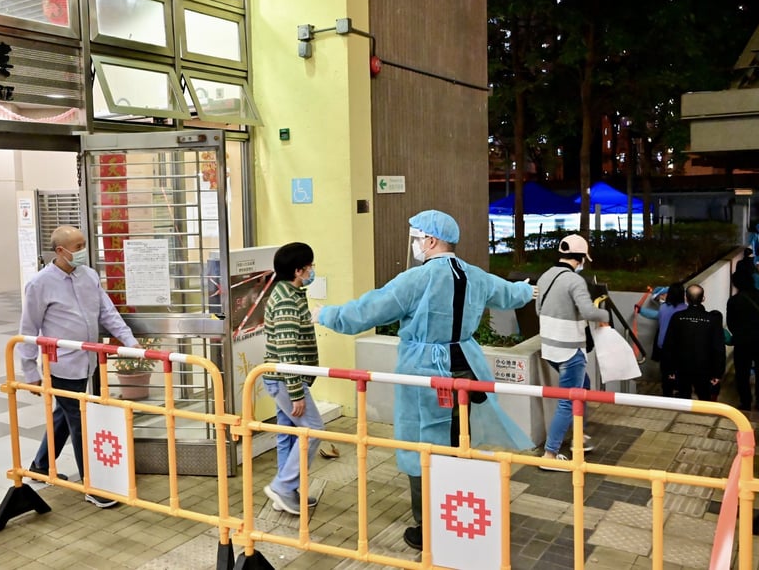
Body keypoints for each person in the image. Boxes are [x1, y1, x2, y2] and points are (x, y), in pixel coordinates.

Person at [315, 210, 533, 550]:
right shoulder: (474, 275)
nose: (415, 244)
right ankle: (460, 513)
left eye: (416, 238)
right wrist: (529, 288)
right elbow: (512, 294)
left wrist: (325, 314)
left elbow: (367, 311)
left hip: (426, 373)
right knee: (459, 441)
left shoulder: (416, 280)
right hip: (468, 369)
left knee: (423, 447)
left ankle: (430, 526)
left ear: (430, 240)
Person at [17, 225, 139, 508]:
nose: (83, 250)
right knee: (79, 418)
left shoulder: (89, 276)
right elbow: (28, 329)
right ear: (60, 251)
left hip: (88, 361)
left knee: (66, 411)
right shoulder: (40, 284)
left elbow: (107, 312)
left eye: (84, 244)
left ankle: (40, 464)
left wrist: (129, 342)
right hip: (62, 364)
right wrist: (30, 372)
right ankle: (92, 485)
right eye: (78, 246)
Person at [536, 234, 612, 470]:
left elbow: (538, 308)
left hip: (549, 348)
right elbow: (589, 312)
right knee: (568, 401)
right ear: (580, 259)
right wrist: (605, 316)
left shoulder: (546, 275)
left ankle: (579, 436)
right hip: (570, 350)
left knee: (583, 386)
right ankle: (550, 454)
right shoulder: (575, 281)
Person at [261, 242, 323, 517]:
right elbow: (287, 350)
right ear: (299, 270)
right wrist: (296, 392)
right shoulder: (286, 299)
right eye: (310, 266)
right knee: (313, 429)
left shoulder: (291, 292)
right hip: (286, 381)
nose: (312, 270)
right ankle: (283, 486)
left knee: (289, 434)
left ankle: (286, 493)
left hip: (284, 379)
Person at [660, 285, 725, 401]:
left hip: (681, 367)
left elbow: (669, 345)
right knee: (704, 397)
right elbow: (718, 348)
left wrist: (669, 369)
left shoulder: (678, 317)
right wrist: (717, 373)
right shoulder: (712, 320)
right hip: (705, 368)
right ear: (703, 298)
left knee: (683, 398)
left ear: (686, 298)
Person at [726, 270, 759, 413]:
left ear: (736, 284)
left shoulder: (734, 301)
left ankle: (745, 401)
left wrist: (740, 334)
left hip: (742, 343)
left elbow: (731, 323)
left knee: (742, 373)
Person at [639, 282, 686, 396]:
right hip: (681, 347)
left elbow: (653, 315)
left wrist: (640, 310)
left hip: (664, 345)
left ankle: (667, 394)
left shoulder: (664, 308)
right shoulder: (685, 309)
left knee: (666, 372)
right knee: (681, 372)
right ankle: (680, 392)